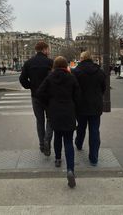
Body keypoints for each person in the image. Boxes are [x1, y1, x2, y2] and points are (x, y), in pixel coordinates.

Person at [37, 56, 80, 188]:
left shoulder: (49, 78)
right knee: (68, 141)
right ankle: (70, 170)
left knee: (57, 136)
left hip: (54, 112)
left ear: (54, 66)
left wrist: (48, 105)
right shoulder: (71, 78)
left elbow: (39, 93)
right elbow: (78, 96)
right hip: (68, 112)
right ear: (66, 65)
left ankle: (57, 159)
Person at [19, 41, 53, 156]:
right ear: (44, 49)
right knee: (50, 119)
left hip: (36, 96)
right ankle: (47, 140)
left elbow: (22, 79)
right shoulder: (50, 62)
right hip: (49, 96)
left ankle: (42, 145)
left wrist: (31, 87)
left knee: (40, 121)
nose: (48, 51)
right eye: (48, 49)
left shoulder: (28, 63)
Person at [72, 51, 106, 166]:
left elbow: (73, 89)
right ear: (91, 59)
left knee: (81, 127)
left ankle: (79, 143)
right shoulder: (100, 72)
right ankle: (94, 158)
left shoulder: (75, 72)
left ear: (81, 59)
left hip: (80, 105)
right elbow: (103, 88)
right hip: (96, 105)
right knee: (94, 131)